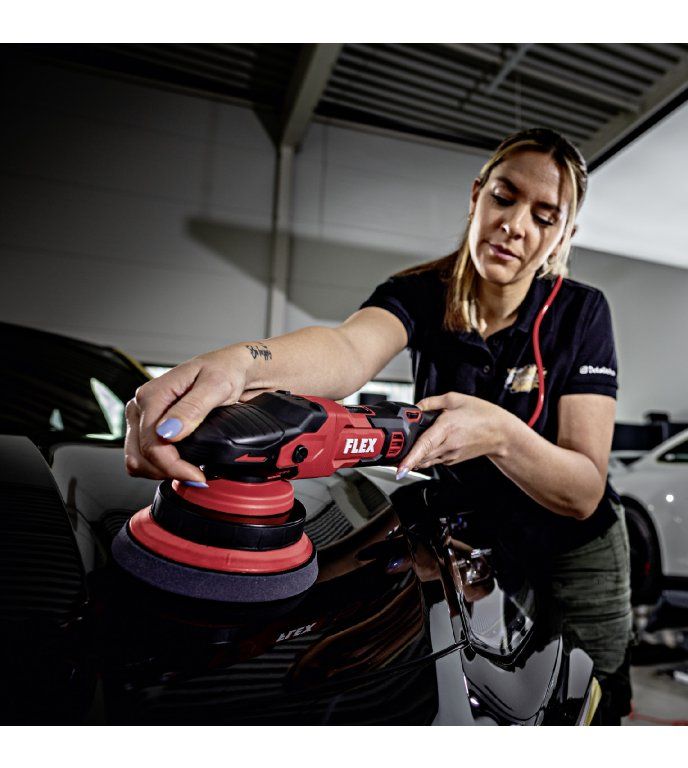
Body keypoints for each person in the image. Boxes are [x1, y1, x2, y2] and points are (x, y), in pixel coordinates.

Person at [124, 127, 632, 722]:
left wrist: (499, 433)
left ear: (564, 235)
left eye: (545, 217)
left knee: (586, 699)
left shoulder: (582, 312)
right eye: (504, 197)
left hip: (575, 548)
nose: (515, 225)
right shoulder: (420, 293)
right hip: (477, 532)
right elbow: (346, 350)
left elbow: (582, 490)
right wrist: (242, 363)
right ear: (477, 195)